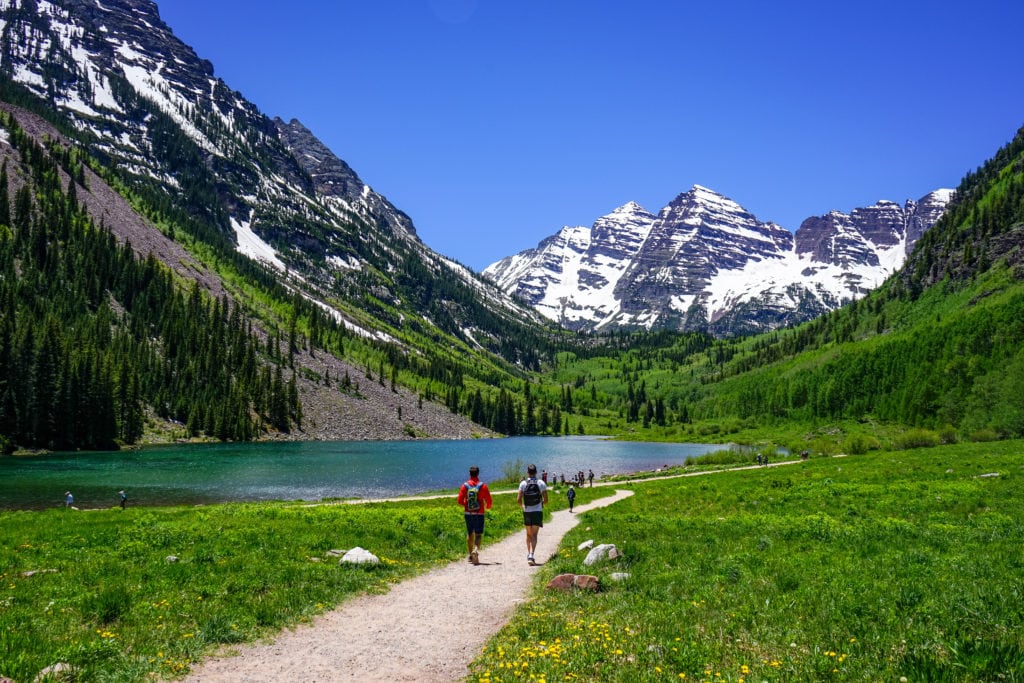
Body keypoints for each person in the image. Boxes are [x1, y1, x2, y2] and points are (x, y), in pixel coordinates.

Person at [457, 466, 492, 565]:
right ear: (478, 473)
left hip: (468, 513)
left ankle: (470, 555)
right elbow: (489, 500)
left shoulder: (465, 486)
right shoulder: (483, 486)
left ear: (470, 474)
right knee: (478, 534)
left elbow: (459, 500)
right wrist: (487, 506)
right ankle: (475, 550)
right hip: (479, 513)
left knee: (470, 533)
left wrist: (467, 504)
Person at [517, 464, 548, 565]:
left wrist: (523, 506)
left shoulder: (523, 483)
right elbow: (546, 500)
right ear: (536, 472)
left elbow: (518, 500)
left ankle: (528, 553)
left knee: (528, 534)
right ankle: (531, 554)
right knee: (534, 535)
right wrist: (541, 504)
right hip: (537, 511)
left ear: (527, 473)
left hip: (527, 512)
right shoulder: (541, 483)